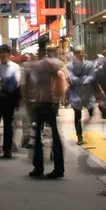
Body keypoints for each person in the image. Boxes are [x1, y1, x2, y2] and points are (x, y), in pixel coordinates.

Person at [27, 45, 66, 178]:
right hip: (48, 102)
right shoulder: (54, 64)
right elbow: (60, 79)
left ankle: (39, 167)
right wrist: (57, 98)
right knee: (52, 135)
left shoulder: (38, 65)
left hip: (42, 102)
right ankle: (58, 168)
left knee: (38, 135)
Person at [0, 44, 21, 158]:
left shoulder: (15, 67)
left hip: (8, 99)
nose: (2, 55)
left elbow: (16, 82)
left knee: (8, 124)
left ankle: (7, 149)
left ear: (9, 54)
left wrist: (3, 80)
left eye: (5, 52)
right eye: (0, 52)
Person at [67, 46, 95, 145]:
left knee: (91, 112)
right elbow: (71, 78)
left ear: (83, 53)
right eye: (77, 52)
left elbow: (92, 77)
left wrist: (80, 80)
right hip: (76, 94)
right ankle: (80, 136)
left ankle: (85, 127)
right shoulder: (70, 65)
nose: (79, 54)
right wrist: (84, 79)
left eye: (81, 52)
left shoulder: (90, 64)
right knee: (77, 116)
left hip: (88, 93)